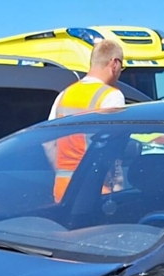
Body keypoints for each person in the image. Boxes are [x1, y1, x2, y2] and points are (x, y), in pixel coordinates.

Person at [46, 39, 127, 202]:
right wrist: (116, 184)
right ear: (114, 64)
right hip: (97, 194)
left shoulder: (64, 95)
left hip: (63, 192)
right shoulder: (111, 96)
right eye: (122, 67)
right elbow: (112, 145)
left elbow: (48, 143)